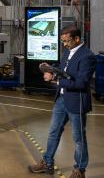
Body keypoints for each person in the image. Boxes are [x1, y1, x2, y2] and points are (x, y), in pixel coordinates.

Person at [28, 25, 96, 178]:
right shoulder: (67, 52)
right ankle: (47, 163)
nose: (64, 44)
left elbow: (81, 83)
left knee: (78, 138)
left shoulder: (87, 57)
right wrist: (51, 69)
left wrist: (56, 80)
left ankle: (79, 170)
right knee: (53, 132)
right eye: (63, 41)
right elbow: (63, 69)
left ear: (77, 39)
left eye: (67, 41)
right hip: (61, 100)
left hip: (76, 101)